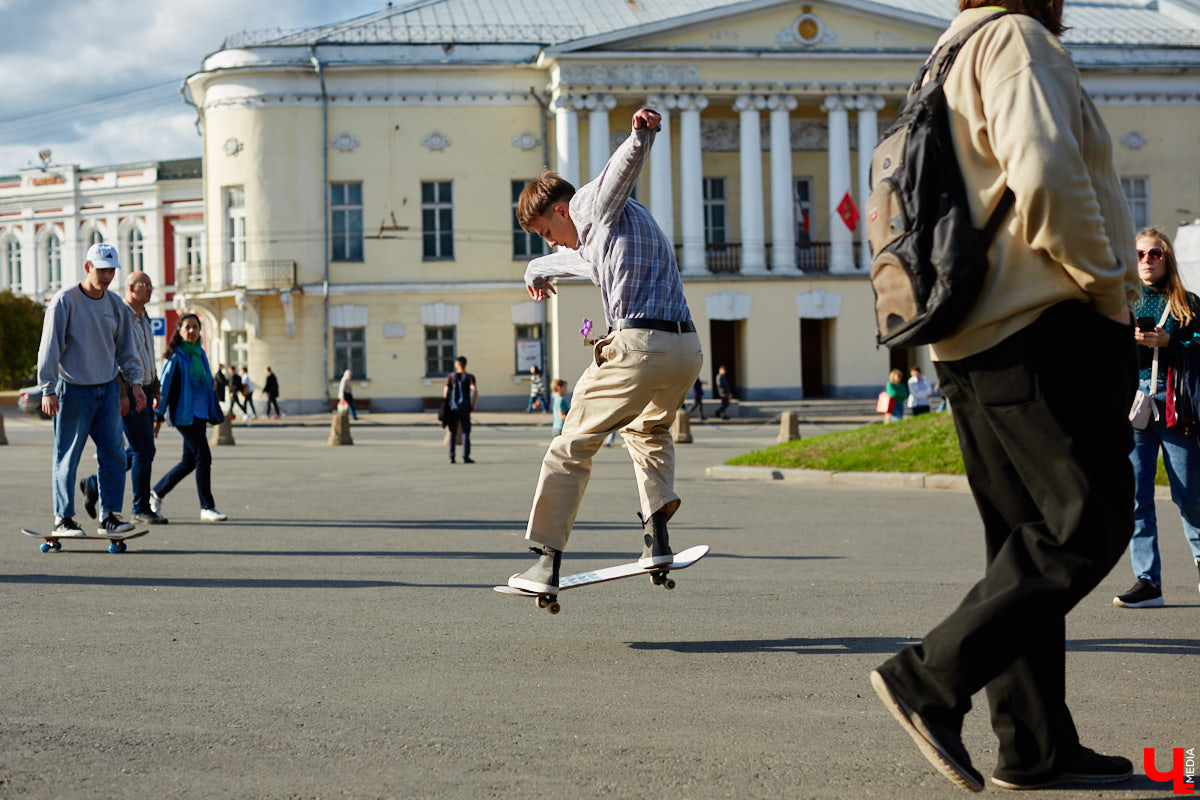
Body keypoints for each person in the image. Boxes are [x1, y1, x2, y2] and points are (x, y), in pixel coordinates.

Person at [868, 1, 1140, 792]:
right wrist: (1111, 292)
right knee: (1089, 520)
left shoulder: (944, 56)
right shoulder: (1018, 41)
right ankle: (928, 681)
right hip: (1039, 322)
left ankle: (1035, 747)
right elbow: (1049, 172)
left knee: (1020, 540)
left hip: (962, 333)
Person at [508, 107, 703, 594]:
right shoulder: (606, 237)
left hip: (640, 348)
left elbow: (618, 175)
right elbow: (574, 260)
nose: (553, 239)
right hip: (686, 350)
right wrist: (538, 267)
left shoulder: (590, 206)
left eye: (547, 231)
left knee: (570, 444)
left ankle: (546, 562)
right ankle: (657, 539)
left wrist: (640, 136)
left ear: (558, 210)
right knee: (649, 431)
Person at [1113, 227, 1200, 608]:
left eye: (1155, 254)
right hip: (1133, 406)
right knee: (1136, 496)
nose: (1146, 261)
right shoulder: (1121, 302)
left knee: (1189, 494)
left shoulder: (1188, 304)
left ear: (1168, 259)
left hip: (1172, 405)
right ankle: (1148, 582)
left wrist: (1173, 343)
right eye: (1140, 255)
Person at [36, 242, 145, 536]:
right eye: (102, 270)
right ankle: (63, 518)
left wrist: (135, 383)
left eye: (112, 270)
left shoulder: (115, 306)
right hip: (73, 389)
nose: (108, 276)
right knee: (67, 455)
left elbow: (126, 350)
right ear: (88, 268)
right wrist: (47, 389)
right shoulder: (64, 301)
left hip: (107, 388)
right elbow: (49, 349)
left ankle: (108, 514)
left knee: (115, 454)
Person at [80, 271, 168, 525]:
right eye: (145, 285)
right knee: (143, 448)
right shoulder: (120, 314)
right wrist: (121, 393)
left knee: (140, 449)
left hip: (146, 388)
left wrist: (155, 385)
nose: (150, 289)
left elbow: (148, 354)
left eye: (151, 285)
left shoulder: (144, 316)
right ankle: (140, 507)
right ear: (130, 287)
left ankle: (95, 483)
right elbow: (115, 356)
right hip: (129, 389)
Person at [151, 313, 227, 522]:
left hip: (201, 414)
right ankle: (207, 506)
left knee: (189, 461)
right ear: (180, 331)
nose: (192, 331)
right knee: (204, 456)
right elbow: (164, 386)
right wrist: (157, 416)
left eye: (195, 327)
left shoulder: (200, 353)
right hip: (185, 414)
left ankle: (156, 493)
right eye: (187, 327)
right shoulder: (177, 356)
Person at [443, 356, 476, 463]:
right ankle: (465, 456)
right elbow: (475, 391)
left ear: (457, 364)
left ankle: (451, 457)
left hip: (453, 408)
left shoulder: (450, 377)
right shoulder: (469, 377)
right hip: (465, 408)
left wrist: (446, 407)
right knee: (466, 432)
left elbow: (445, 393)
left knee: (453, 432)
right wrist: (473, 405)